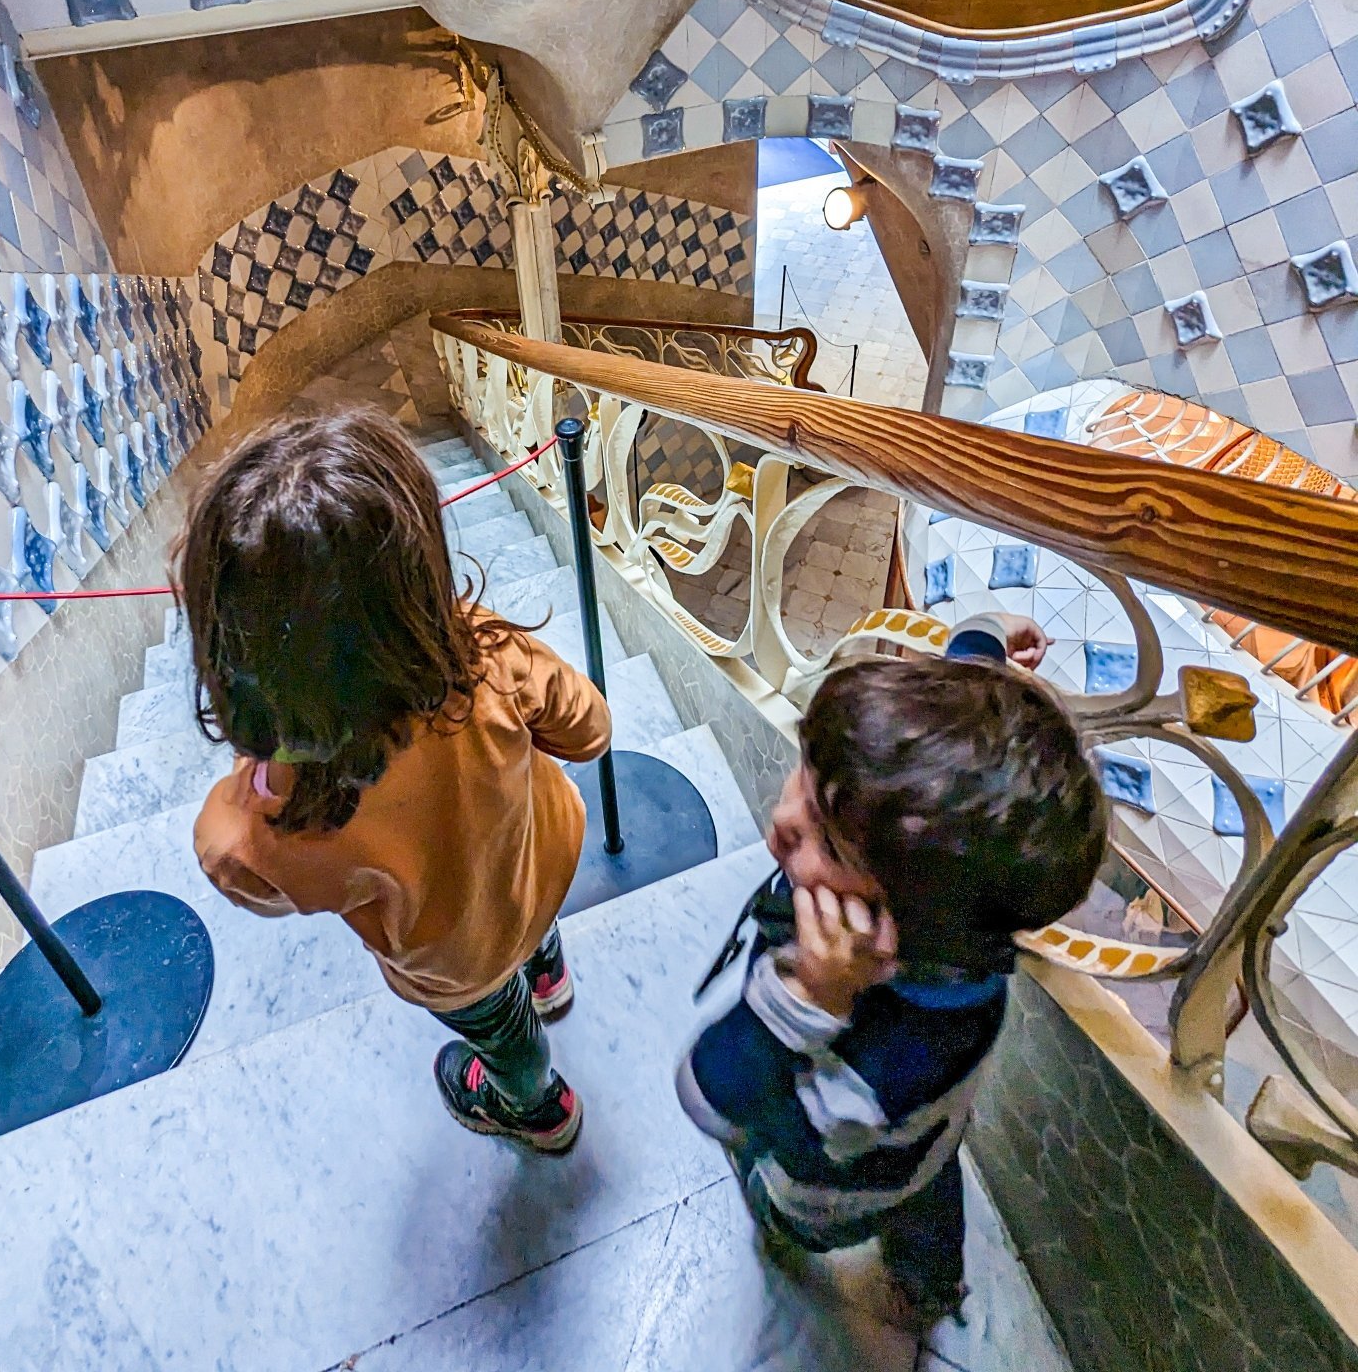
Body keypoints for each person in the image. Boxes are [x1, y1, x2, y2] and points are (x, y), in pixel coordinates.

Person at [178, 407, 612, 1154]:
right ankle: (548, 976)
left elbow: (234, 866)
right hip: (539, 863)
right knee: (532, 920)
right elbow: (591, 729)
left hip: (457, 962)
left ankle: (538, 1108)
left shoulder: (269, 823)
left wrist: (260, 768)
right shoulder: (486, 655)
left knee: (505, 1041)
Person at [676, 613, 1106, 1336]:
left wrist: (805, 998)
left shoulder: (895, 1052)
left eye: (823, 837)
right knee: (935, 1195)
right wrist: (988, 637)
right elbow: (961, 682)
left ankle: (873, 1271)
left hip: (841, 1182)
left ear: (895, 929)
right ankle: (933, 1283)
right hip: (932, 1147)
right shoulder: (931, 861)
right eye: (806, 776)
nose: (784, 819)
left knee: (856, 1203)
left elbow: (709, 1098)